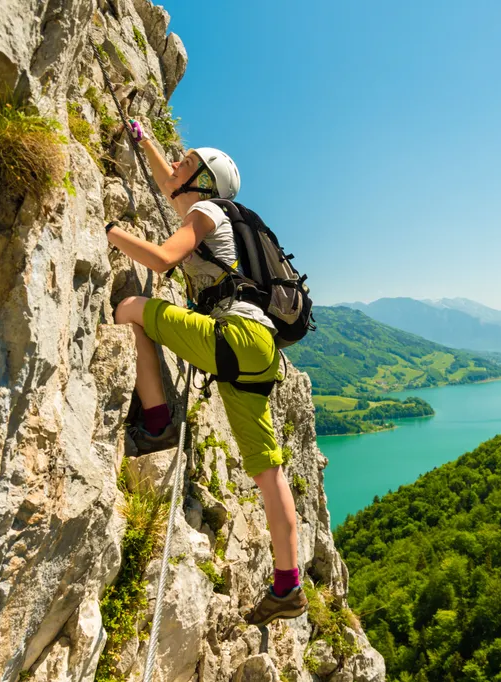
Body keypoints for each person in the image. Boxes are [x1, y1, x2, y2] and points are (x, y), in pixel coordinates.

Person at [106, 119, 307, 625]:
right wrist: (143, 137)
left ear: (204, 183)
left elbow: (158, 259)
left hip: (231, 336)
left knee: (131, 307)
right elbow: (169, 179)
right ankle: (288, 586)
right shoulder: (223, 213)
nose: (177, 165)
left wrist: (107, 232)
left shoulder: (204, 212)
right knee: (268, 472)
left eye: (187, 163)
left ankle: (157, 423)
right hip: (260, 349)